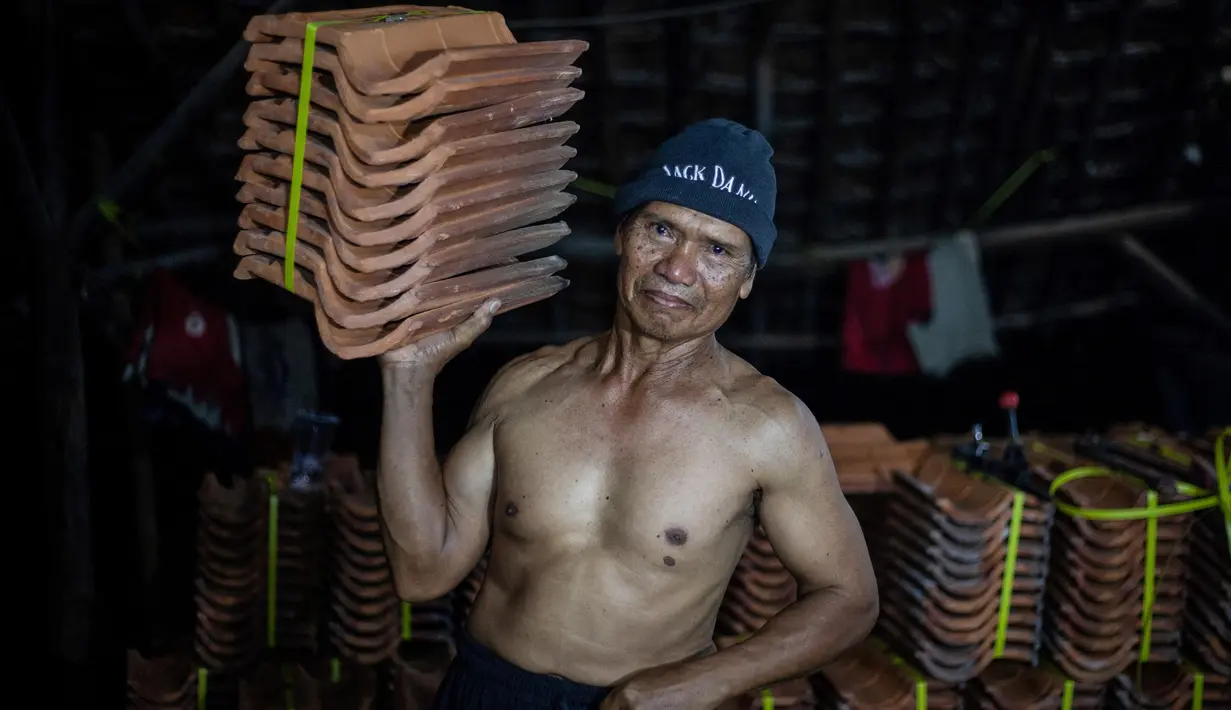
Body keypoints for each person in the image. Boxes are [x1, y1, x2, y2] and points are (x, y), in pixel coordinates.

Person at [377, 119, 878, 710]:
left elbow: (850, 598)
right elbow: (422, 572)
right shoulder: (525, 386)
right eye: (661, 229)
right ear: (623, 234)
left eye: (718, 250)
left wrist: (703, 681)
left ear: (746, 280)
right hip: (487, 691)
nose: (678, 268)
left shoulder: (766, 426)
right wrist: (406, 380)